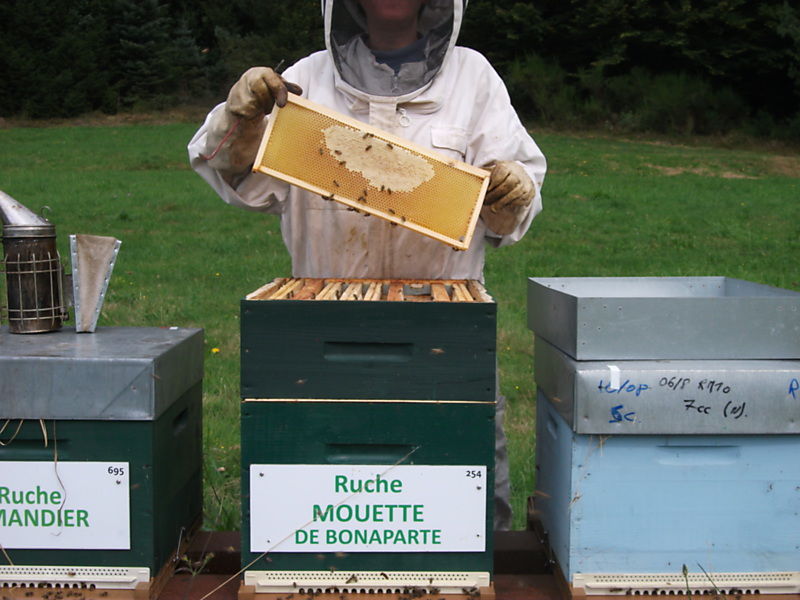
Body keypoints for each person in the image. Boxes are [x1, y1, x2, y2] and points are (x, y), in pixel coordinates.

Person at [188, 0, 546, 530]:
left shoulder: (474, 78)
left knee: (466, 500)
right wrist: (239, 118)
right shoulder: (307, 78)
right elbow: (238, 177)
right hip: (325, 326)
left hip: (444, 325)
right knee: (322, 497)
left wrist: (512, 189)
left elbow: (507, 215)